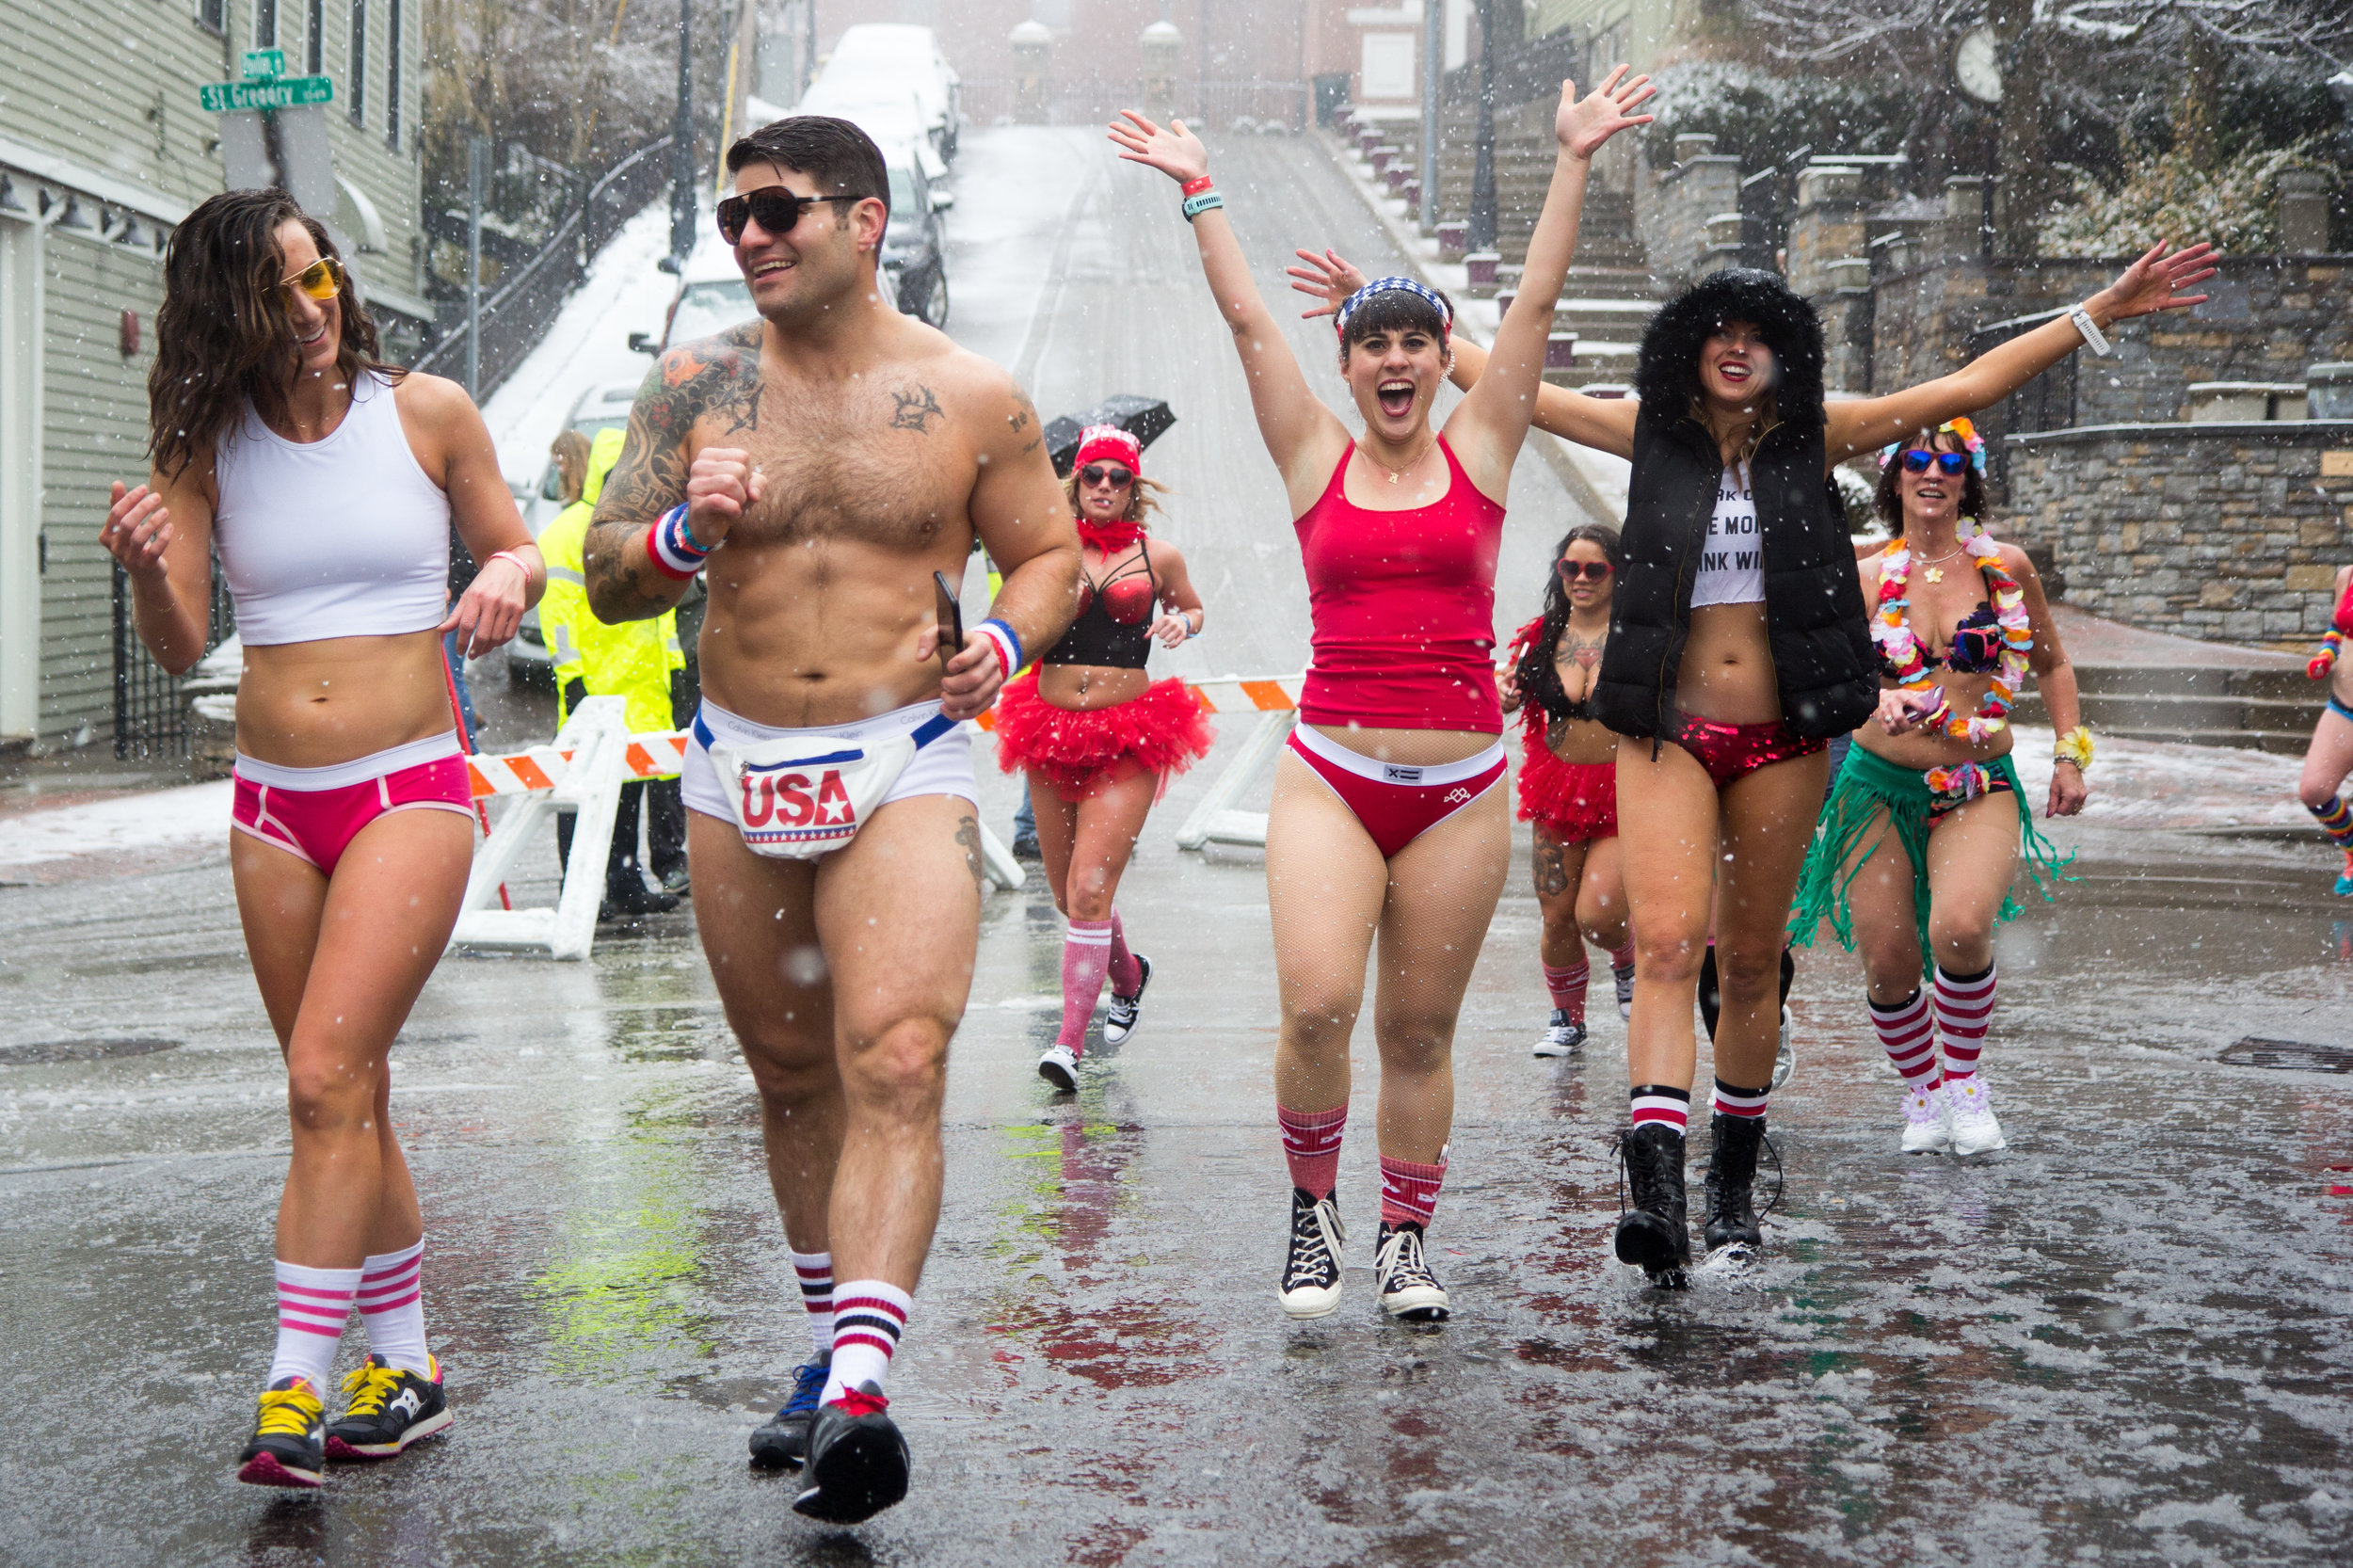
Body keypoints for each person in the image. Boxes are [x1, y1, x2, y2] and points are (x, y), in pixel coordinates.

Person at [1303, 240, 2213, 1283]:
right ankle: (1653, 1190)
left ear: (1787, 355)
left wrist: (2102, 304)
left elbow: (1966, 385)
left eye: (1757, 337)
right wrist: (1398, 315)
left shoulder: (1815, 437)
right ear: (1687, 351)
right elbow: (1517, 387)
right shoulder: (1651, 437)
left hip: (1783, 733)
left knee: (1746, 963)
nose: (1735, 351)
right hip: (1670, 731)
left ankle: (1732, 1182)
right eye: (1718, 335)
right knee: (1665, 945)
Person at [581, 115, 1078, 1525]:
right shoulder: (695, 384)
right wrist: (682, 534)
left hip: (902, 752)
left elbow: (1050, 555)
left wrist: (1012, 645)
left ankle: (863, 1382)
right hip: (740, 760)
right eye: (735, 213)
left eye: (780, 209)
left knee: (899, 1055)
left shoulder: (970, 395)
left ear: (865, 221)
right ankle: (824, 1349)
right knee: (793, 1077)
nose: (752, 236)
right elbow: (609, 570)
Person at [1112, 67, 1657, 1325]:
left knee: (1417, 1033)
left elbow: (1531, 306)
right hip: (1335, 775)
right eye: (1377, 342)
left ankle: (1409, 1236)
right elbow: (1255, 326)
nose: (1400, 358)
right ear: (1350, 364)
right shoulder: (1314, 455)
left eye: (1417, 340)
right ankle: (1314, 1215)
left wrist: (1573, 156)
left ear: (1436, 362)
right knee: (1317, 1006)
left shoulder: (1483, 448)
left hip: (1463, 785)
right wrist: (1202, 192)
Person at [100, 189, 542, 1487]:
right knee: (341, 1088)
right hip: (271, 806)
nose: (312, 310)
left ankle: (292, 1382)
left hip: (408, 783)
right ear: (224, 314)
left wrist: (509, 571)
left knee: (321, 1075)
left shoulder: (426, 414)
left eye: (320, 280)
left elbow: (514, 545)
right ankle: (404, 1365)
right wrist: (142, 566)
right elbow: (182, 639)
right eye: (277, 293)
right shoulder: (205, 443)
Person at [1787, 418, 2085, 1156]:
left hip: (1979, 778)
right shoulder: (1861, 576)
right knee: (1888, 961)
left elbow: (2050, 664)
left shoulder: (2003, 567)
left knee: (1958, 928)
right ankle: (1921, 1090)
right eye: (1917, 459)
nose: (1933, 472)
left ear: (1967, 478)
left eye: (1949, 462)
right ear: (1894, 477)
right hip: (1875, 782)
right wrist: (1870, 697)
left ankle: (1964, 1081)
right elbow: (1821, 677)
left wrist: (2070, 755)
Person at [990, 424, 1210, 1089]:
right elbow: (1009, 618)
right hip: (1049, 725)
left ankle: (1067, 1046)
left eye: (1119, 477)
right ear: (1076, 484)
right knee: (1068, 895)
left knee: (1091, 888)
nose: (1106, 487)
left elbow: (1194, 608)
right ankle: (1128, 975)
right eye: (1094, 476)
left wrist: (1182, 622)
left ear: (1133, 487)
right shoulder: (1046, 557)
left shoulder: (1158, 556)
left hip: (1131, 730)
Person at [538, 424, 689, 918]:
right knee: (584, 789)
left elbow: (663, 607)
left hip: (642, 688)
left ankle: (623, 882)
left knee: (631, 789)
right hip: (599, 686)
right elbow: (556, 614)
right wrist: (572, 676)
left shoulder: (637, 532)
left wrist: (670, 662)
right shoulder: (568, 532)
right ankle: (577, 887)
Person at [1499, 525, 1635, 1057]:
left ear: (1616, 573)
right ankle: (1566, 1020)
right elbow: (1513, 689)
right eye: (1570, 569)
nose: (1580, 578)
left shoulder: (1636, 634)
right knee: (1555, 914)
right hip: (1556, 785)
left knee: (1598, 913)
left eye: (1594, 569)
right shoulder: (1542, 635)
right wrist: (1508, 693)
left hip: (1623, 787)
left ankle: (1624, 958)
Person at [2297, 565, 2353, 895]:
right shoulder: (2348, 576)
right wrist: (2326, 655)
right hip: (2344, 708)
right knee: (2315, 790)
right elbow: (2338, 627)